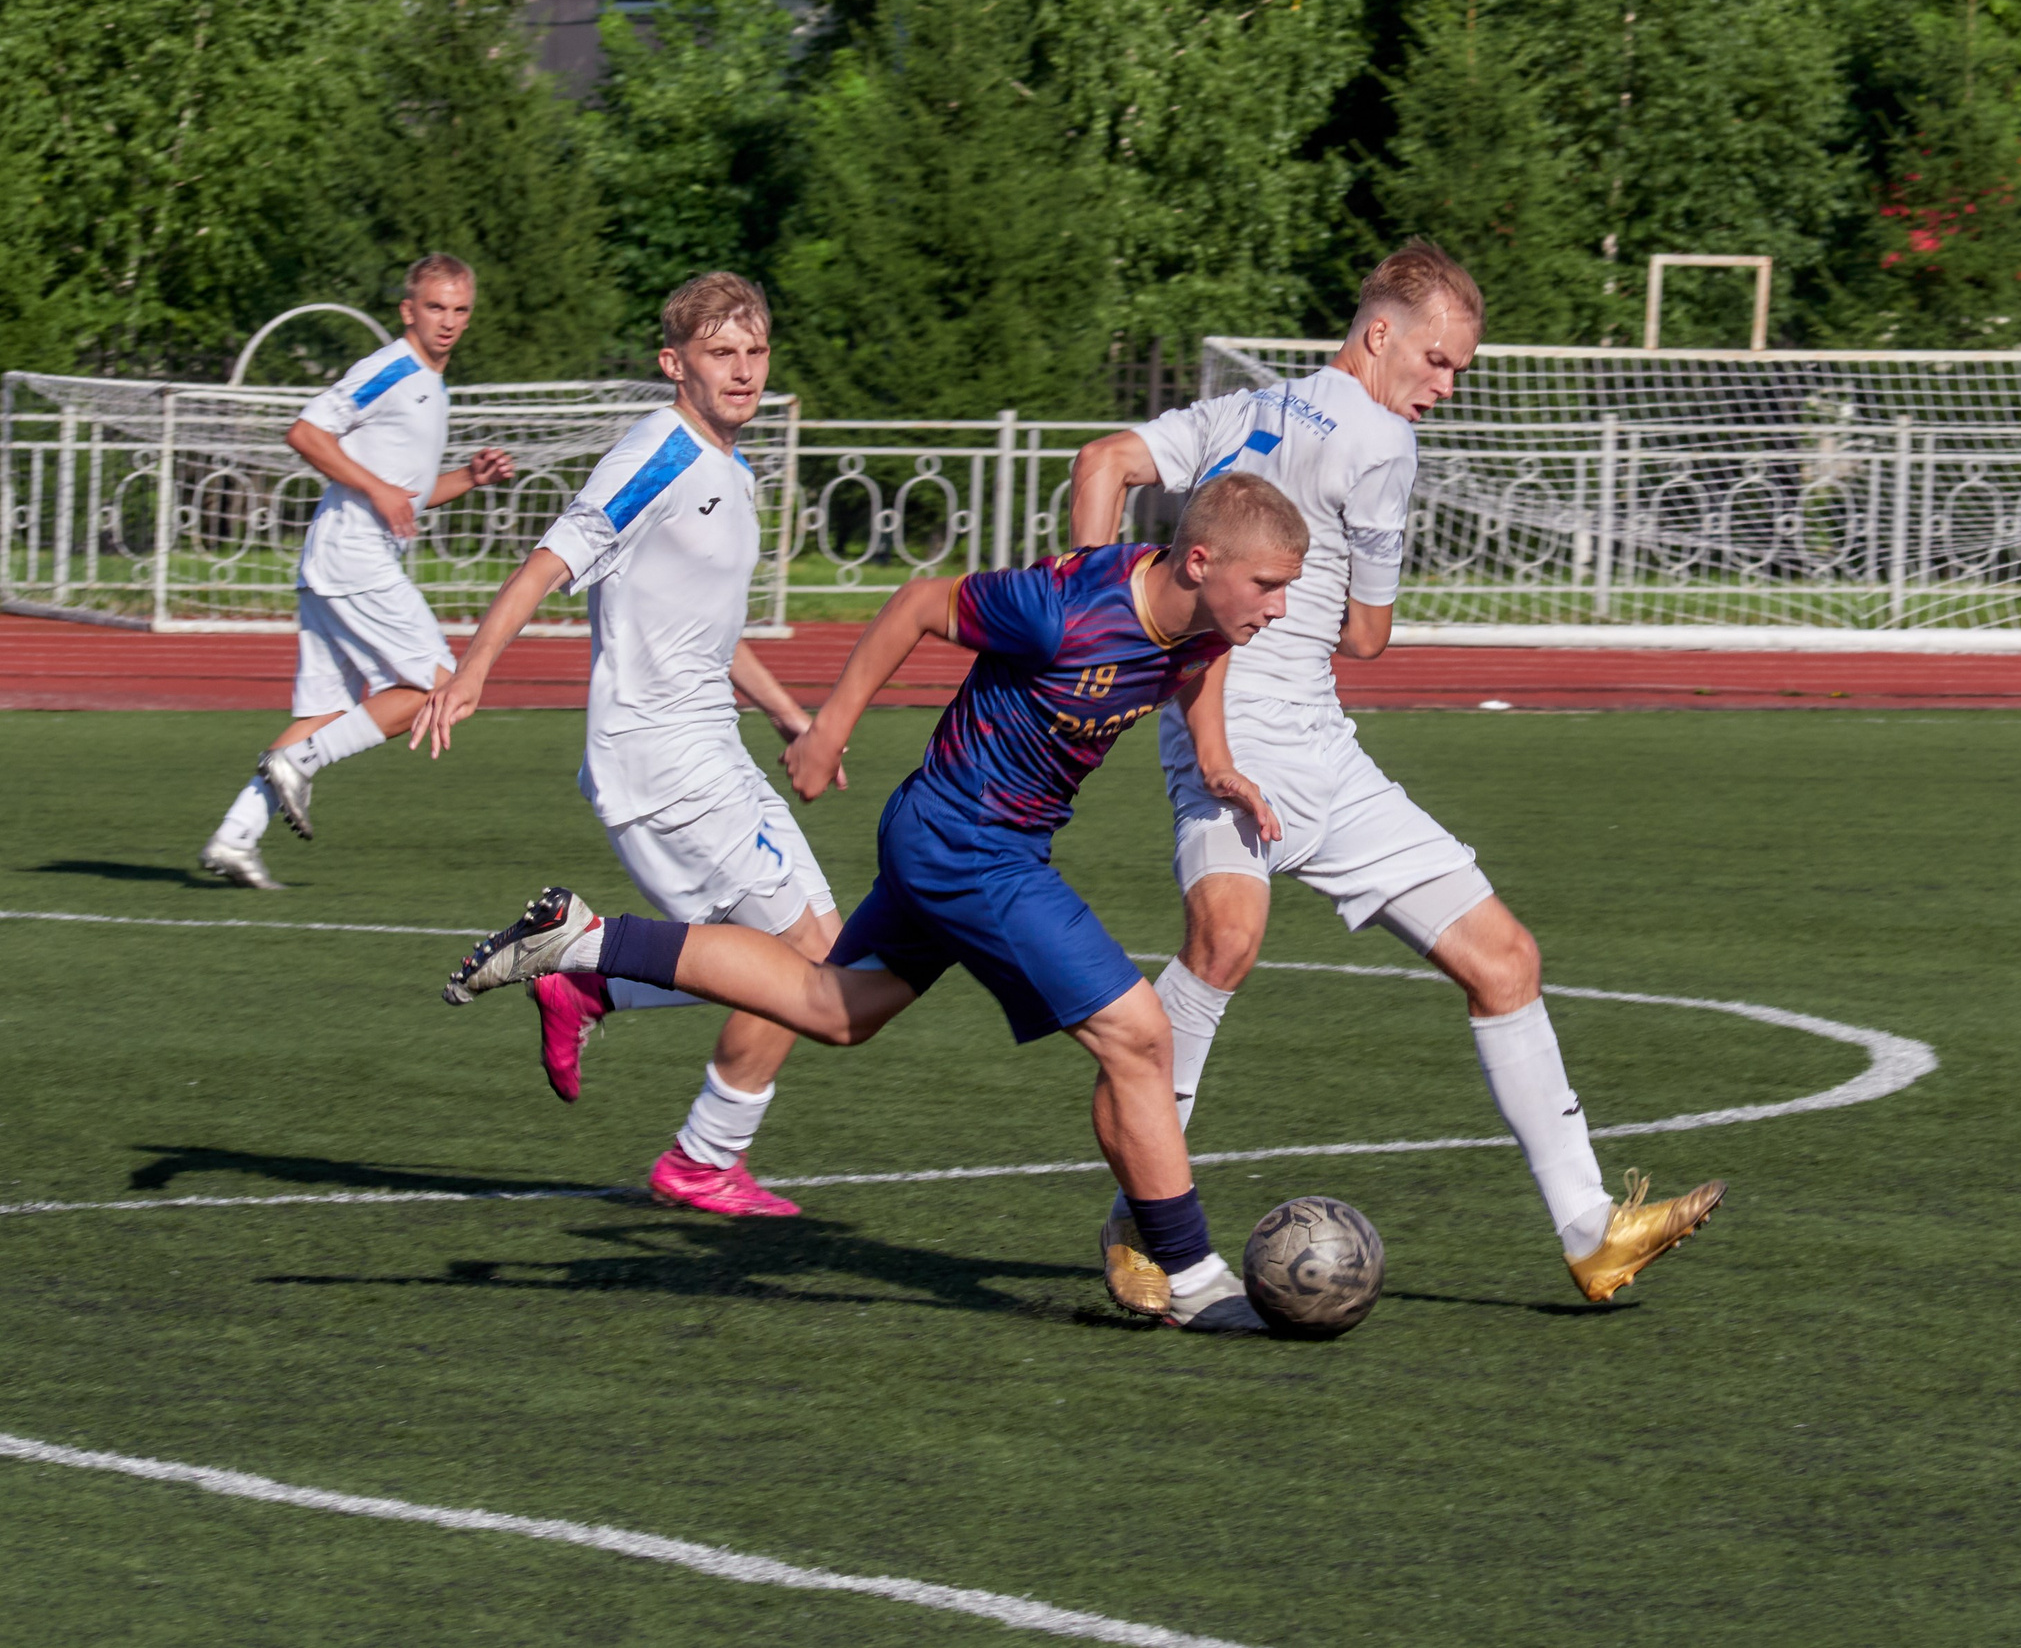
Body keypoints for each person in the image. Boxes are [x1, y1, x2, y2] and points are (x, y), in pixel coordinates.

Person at [438, 472, 1312, 1333]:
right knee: (1139, 1034)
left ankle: (588, 943)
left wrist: (1213, 757)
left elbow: (1197, 661)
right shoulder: (1066, 605)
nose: (1278, 607)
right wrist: (827, 729)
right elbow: (918, 604)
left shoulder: (1207, 620)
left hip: (968, 837)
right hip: (970, 842)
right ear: (1197, 561)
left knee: (836, 1007)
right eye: (1268, 586)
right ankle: (1189, 1269)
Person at [1067, 239, 1725, 1305]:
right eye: (1437, 360)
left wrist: (1091, 615)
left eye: (1455, 369)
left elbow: (1101, 462)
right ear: (1379, 334)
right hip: (1244, 735)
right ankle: (1145, 1223)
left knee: (1501, 958)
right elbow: (1369, 635)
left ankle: (1592, 1229)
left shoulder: (1244, 406)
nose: (1443, 385)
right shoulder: (1378, 440)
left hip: (1303, 743)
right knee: (1224, 946)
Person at [410, 273, 843, 1219]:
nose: (742, 371)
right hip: (663, 760)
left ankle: (591, 988)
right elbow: (550, 560)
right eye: (720, 353)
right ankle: (697, 1150)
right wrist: (473, 667)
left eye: (755, 351)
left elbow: (708, 635)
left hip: (709, 749)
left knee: (812, 963)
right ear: (673, 363)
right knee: (809, 968)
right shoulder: (660, 453)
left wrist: (789, 716)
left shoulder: (730, 468)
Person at [200, 254, 515, 890]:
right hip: (353, 558)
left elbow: (409, 493)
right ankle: (299, 764)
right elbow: (307, 432)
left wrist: (469, 479)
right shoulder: (391, 368)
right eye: (435, 307)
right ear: (407, 311)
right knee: (440, 689)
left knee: (325, 711)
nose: (448, 321)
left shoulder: (430, 382)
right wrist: (376, 490)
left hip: (339, 561)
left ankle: (233, 837)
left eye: (460, 310)